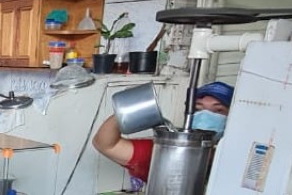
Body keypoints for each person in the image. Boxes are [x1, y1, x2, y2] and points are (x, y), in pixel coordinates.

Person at [92, 81, 232, 188]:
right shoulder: (169, 151)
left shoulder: (238, 159)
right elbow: (106, 145)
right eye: (198, 109)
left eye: (218, 111)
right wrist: (127, 110)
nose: (206, 116)